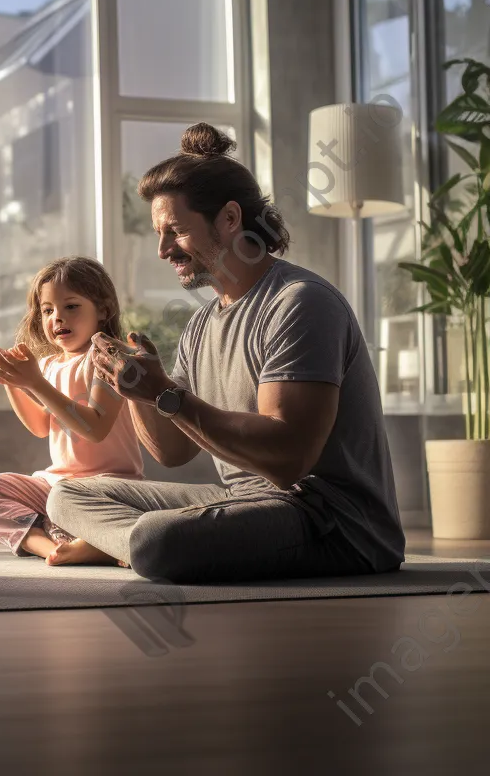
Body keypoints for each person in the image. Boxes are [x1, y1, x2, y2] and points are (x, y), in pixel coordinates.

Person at [46, 123, 406, 584]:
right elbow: (172, 451)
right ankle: (133, 546)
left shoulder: (300, 302)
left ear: (230, 218)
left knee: (159, 540)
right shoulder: (201, 324)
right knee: (67, 497)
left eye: (174, 231)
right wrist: (136, 390)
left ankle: (136, 546)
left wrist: (165, 394)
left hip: (330, 520)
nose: (161, 250)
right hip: (243, 502)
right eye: (159, 234)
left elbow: (288, 459)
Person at [0, 256, 144, 565]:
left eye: (71, 306)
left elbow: (95, 428)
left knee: (63, 504)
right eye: (47, 310)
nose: (58, 318)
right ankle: (53, 548)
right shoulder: (49, 365)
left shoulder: (110, 356)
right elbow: (41, 426)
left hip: (107, 485)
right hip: (56, 485)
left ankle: (83, 539)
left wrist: (35, 383)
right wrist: (12, 381)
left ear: (103, 310)